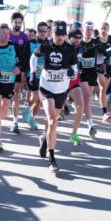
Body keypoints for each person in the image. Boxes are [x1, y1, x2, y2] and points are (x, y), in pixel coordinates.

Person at [30, 21, 78, 172]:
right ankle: (52, 159)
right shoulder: (46, 45)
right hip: (46, 88)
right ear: (53, 33)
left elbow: (75, 68)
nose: (60, 37)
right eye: (57, 34)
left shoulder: (70, 48)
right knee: (52, 121)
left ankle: (45, 139)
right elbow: (33, 57)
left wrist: (72, 72)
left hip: (61, 90)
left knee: (53, 123)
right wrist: (32, 73)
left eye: (63, 35)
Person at [0, 24, 24, 151]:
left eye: (7, 33)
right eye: (3, 33)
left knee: (4, 114)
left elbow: (23, 60)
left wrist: (18, 68)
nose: (6, 35)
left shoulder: (14, 47)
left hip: (9, 83)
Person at [78, 22, 107, 138]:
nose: (89, 31)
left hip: (92, 73)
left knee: (86, 101)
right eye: (87, 29)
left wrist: (103, 64)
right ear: (83, 31)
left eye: (91, 29)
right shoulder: (79, 42)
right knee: (85, 99)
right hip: (80, 74)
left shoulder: (96, 43)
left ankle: (88, 123)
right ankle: (90, 125)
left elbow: (106, 54)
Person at [24, 22, 49, 130]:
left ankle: (31, 118)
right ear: (37, 31)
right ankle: (27, 110)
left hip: (45, 75)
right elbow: (26, 59)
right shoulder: (30, 43)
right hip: (32, 74)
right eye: (40, 31)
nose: (43, 33)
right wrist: (25, 74)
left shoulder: (51, 44)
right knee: (36, 96)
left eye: (45, 31)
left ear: (47, 32)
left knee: (39, 100)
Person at [9, 12, 28, 132]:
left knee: (16, 95)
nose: (18, 24)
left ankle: (15, 123)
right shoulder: (6, 34)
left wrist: (22, 71)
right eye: (16, 22)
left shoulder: (24, 37)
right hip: (4, 71)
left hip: (17, 70)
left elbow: (25, 56)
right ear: (11, 22)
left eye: (20, 22)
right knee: (4, 98)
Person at [67, 28, 85, 145]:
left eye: (80, 38)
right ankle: (46, 135)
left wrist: (80, 69)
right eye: (75, 37)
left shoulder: (81, 49)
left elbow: (80, 63)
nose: (78, 40)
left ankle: (74, 134)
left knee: (80, 105)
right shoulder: (64, 48)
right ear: (69, 37)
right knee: (55, 114)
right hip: (60, 83)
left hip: (74, 81)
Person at [97, 22, 111, 122]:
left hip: (109, 66)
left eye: (105, 28)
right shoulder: (95, 39)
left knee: (104, 89)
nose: (103, 30)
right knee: (102, 87)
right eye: (102, 28)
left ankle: (104, 110)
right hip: (99, 66)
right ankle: (104, 113)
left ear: (108, 29)